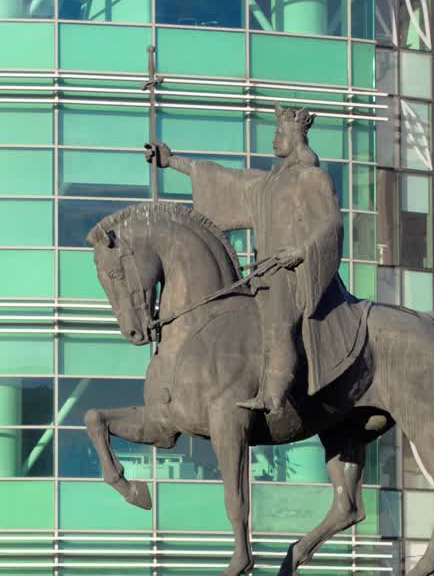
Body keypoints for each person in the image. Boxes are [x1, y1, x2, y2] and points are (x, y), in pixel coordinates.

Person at [145, 105, 346, 413]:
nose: (274, 140)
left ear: (295, 137)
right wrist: (172, 162)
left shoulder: (311, 177)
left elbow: (330, 222)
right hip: (265, 270)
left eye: (279, 133)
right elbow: (225, 180)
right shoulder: (272, 182)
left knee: (278, 323)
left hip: (291, 270)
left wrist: (301, 250)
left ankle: (274, 395)